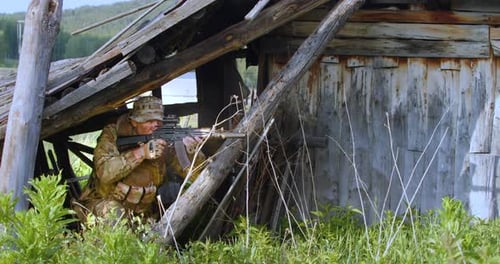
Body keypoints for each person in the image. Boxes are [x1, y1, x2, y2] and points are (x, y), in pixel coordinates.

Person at [74, 96, 205, 223]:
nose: (155, 125)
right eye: (148, 121)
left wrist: (191, 152)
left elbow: (196, 175)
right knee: (114, 216)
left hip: (143, 212)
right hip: (103, 205)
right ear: (134, 121)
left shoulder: (165, 141)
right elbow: (105, 173)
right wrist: (141, 153)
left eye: (158, 121)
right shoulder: (113, 135)